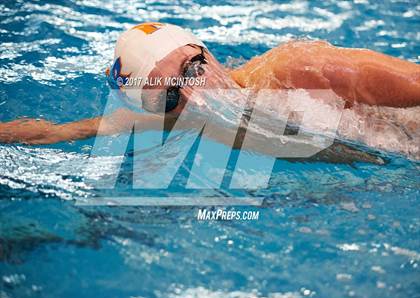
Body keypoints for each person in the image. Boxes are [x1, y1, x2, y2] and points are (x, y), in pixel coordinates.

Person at [0, 22, 419, 160]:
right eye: (169, 94)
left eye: (193, 68)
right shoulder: (178, 116)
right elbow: (61, 132)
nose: (195, 96)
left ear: (208, 51)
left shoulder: (295, 70)